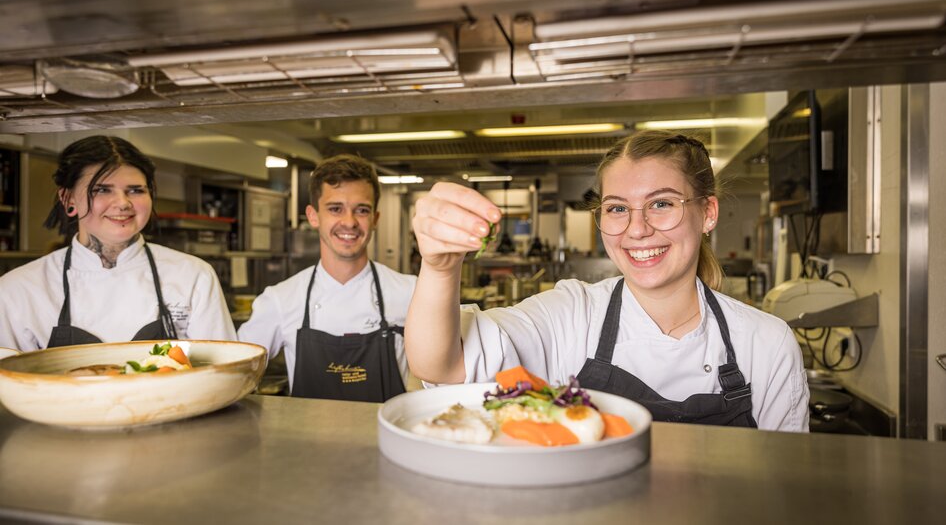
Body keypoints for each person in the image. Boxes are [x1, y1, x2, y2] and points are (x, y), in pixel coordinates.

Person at [406, 130, 809, 431]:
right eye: (617, 209)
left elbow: (782, 487)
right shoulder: (572, 313)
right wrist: (440, 267)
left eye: (662, 204)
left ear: (708, 213)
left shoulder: (766, 343)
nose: (637, 229)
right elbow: (443, 364)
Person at [0, 135, 236, 350]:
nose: (123, 203)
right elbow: (8, 387)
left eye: (135, 190)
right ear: (68, 198)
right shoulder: (18, 290)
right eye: (102, 190)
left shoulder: (193, 277)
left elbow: (225, 372)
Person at [238, 155, 417, 402]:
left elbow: (444, 375)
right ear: (313, 216)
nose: (349, 222)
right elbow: (235, 374)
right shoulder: (280, 299)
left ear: (375, 219)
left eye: (362, 210)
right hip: (308, 440)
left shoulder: (411, 293)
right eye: (335, 209)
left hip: (386, 439)